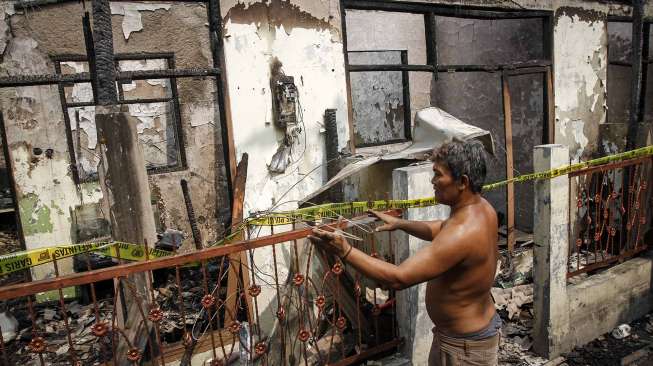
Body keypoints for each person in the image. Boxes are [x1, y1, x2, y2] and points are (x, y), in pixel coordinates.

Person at [308, 139, 500, 366]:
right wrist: (401, 224)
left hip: (464, 350)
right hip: (468, 338)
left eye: (438, 174)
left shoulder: (462, 233)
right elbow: (442, 228)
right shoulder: (481, 209)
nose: (433, 181)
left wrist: (345, 251)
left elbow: (399, 278)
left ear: (462, 182)